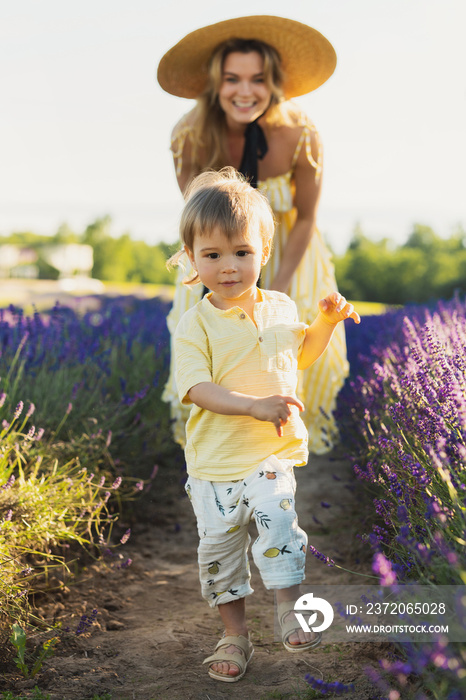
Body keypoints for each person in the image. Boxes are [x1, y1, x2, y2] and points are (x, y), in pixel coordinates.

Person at [170, 168, 360, 682]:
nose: (228, 267)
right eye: (212, 255)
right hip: (213, 463)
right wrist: (250, 405)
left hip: (268, 453)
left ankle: (288, 604)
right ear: (192, 259)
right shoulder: (196, 324)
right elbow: (195, 389)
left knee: (278, 519)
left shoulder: (279, 307)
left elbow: (301, 355)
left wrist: (326, 321)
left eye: (241, 253)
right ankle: (233, 634)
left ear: (264, 252)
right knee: (220, 552)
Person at [158, 14, 349, 455]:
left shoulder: (302, 132)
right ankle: (213, 438)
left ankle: (290, 438)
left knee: (298, 331)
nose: (245, 91)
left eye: (258, 79)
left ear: (274, 83)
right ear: (215, 84)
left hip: (289, 248)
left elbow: (305, 217)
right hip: (214, 245)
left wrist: (276, 286)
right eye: (232, 79)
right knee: (204, 331)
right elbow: (195, 218)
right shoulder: (189, 135)